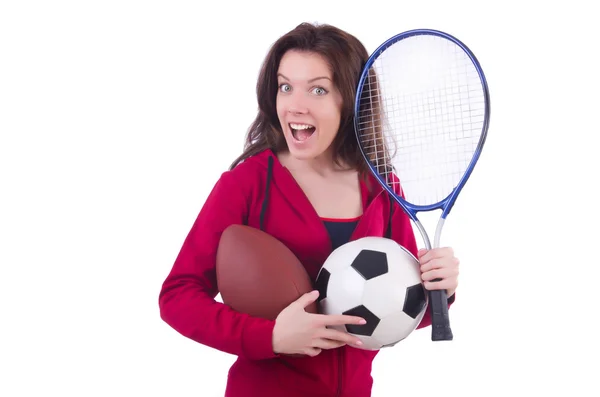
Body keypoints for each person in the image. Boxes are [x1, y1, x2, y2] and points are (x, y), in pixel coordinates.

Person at [158, 22, 459, 397]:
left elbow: (397, 312)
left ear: (349, 99)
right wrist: (269, 337)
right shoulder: (246, 184)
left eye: (318, 89)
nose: (294, 106)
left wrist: (439, 291)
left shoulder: (382, 187)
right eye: (286, 86)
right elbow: (177, 297)